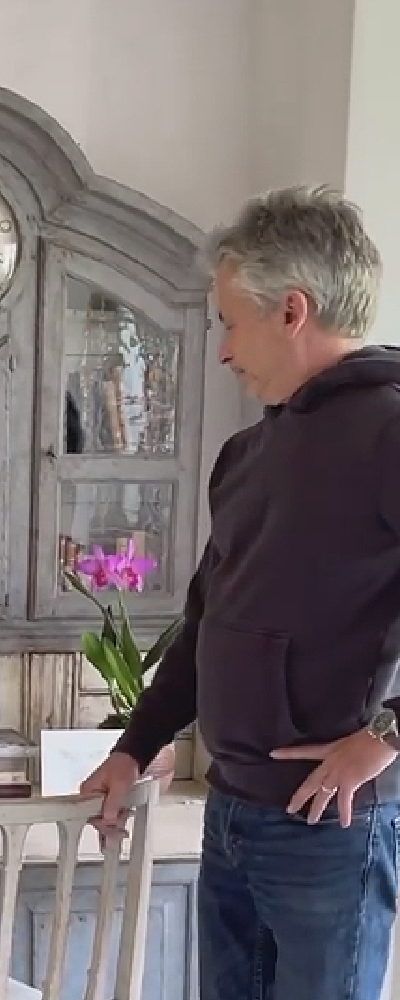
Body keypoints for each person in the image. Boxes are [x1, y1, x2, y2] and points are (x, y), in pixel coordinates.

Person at [80, 186, 400, 1000]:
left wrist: (388, 735)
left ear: (292, 310)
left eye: (230, 320)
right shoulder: (247, 453)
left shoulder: (392, 429)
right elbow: (204, 624)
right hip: (230, 816)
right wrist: (134, 744)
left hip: (330, 829)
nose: (224, 349)